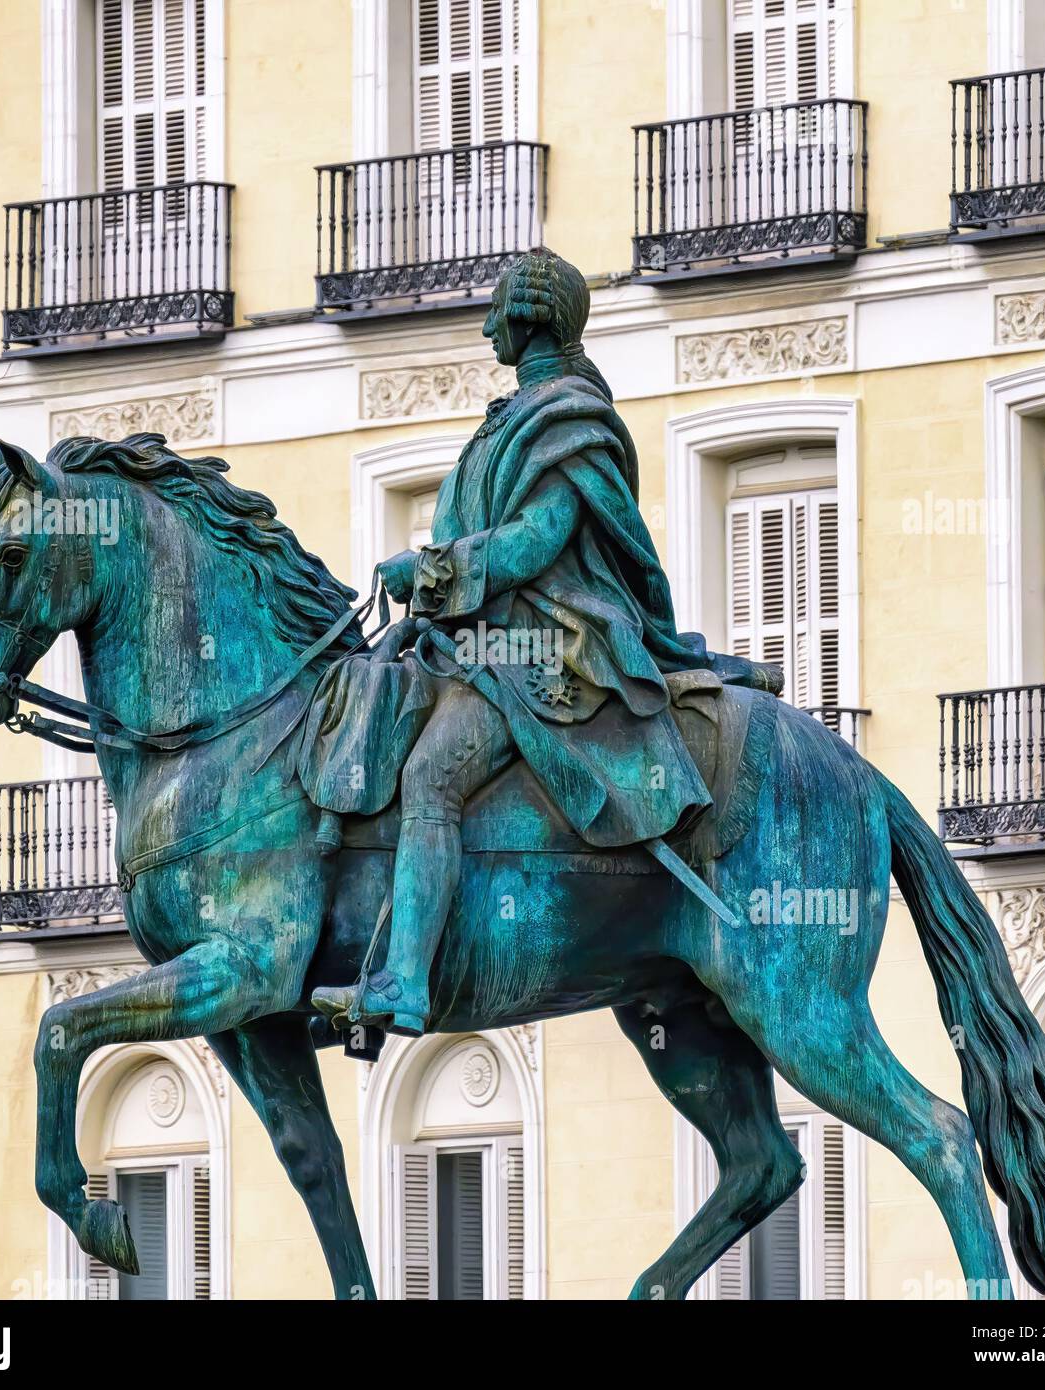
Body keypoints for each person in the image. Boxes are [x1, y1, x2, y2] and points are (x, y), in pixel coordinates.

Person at [309, 248, 777, 1035]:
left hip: (545, 643)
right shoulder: (516, 417)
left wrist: (428, 569)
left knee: (431, 777)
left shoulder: (569, 421)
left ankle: (404, 984)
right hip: (477, 635)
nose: (487, 324)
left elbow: (534, 542)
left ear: (526, 319)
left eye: (497, 309)